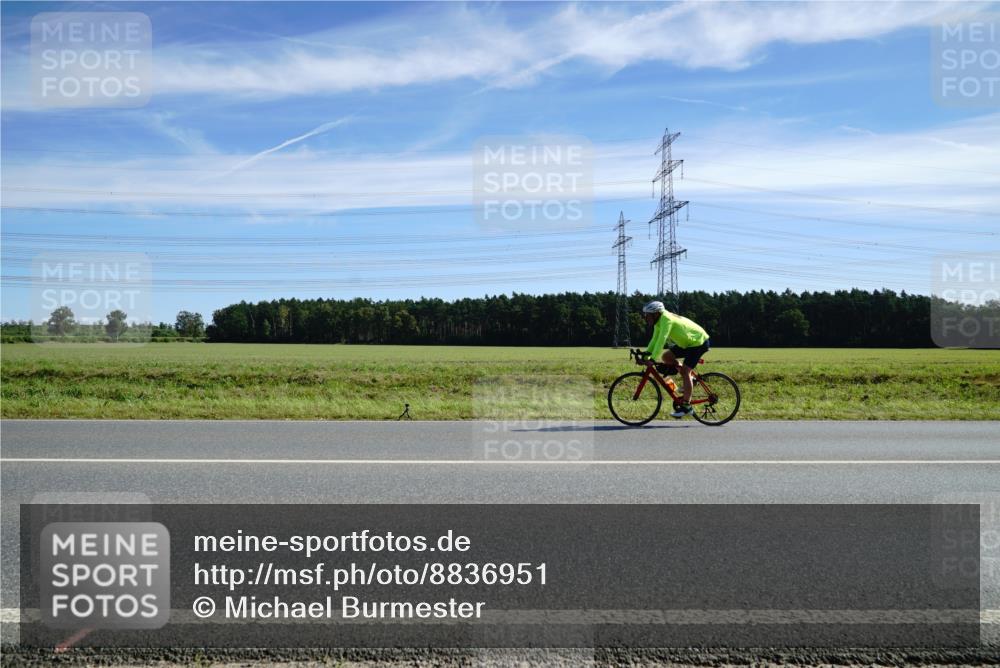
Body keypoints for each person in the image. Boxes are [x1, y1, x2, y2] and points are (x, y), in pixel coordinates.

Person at [641, 300, 710, 418]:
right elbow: (654, 340)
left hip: (698, 342)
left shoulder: (666, 320)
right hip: (687, 343)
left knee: (685, 371)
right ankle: (692, 380)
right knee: (666, 356)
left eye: (647, 315)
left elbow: (662, 340)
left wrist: (652, 359)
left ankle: (687, 406)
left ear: (656, 313)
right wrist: (646, 354)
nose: (645, 318)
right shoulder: (659, 322)